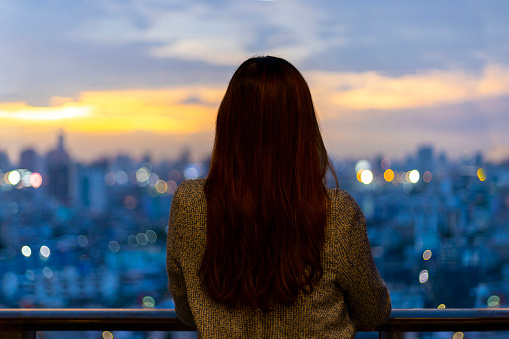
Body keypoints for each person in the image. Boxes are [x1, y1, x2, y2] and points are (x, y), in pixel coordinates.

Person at [167, 56, 391, 338]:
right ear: (303, 128)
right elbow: (374, 311)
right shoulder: (336, 213)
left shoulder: (190, 203)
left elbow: (187, 311)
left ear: (228, 123)